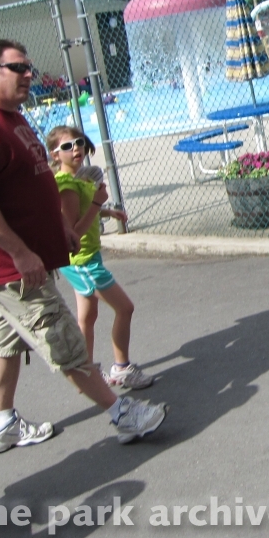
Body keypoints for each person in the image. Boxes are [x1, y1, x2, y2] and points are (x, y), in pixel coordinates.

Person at [0, 40, 167, 454]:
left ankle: (1, 424)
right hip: (12, 268)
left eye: (29, 67)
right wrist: (21, 253)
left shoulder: (13, 119)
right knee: (62, 338)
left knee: (6, 342)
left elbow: (36, 183)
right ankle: (122, 414)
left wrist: (59, 225)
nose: (29, 75)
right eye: (18, 68)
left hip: (27, 262)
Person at [45, 126, 153, 390]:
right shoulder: (67, 185)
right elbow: (72, 235)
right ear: (55, 155)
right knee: (125, 308)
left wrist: (105, 211)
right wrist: (96, 203)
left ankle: (86, 372)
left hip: (87, 257)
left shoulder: (79, 179)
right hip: (82, 261)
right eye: (68, 146)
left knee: (87, 316)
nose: (77, 149)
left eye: (80, 143)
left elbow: (83, 212)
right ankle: (122, 368)